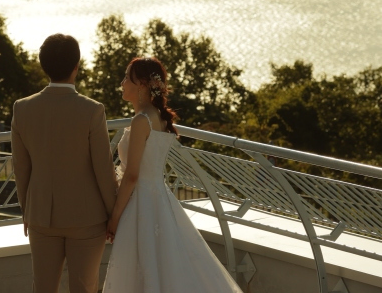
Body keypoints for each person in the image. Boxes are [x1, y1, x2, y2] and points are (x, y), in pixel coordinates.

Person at [103, 56, 242, 293]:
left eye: (127, 77)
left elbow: (133, 175)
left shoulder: (140, 120)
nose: (122, 82)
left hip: (140, 205)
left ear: (143, 84)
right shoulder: (157, 118)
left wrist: (114, 217)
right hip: (160, 200)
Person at [12, 33, 118, 293]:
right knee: (85, 288)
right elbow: (103, 169)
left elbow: (21, 168)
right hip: (87, 218)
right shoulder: (92, 110)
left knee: (43, 288)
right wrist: (114, 215)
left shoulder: (22, 108)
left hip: (40, 217)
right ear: (76, 67)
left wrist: (28, 210)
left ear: (43, 66)